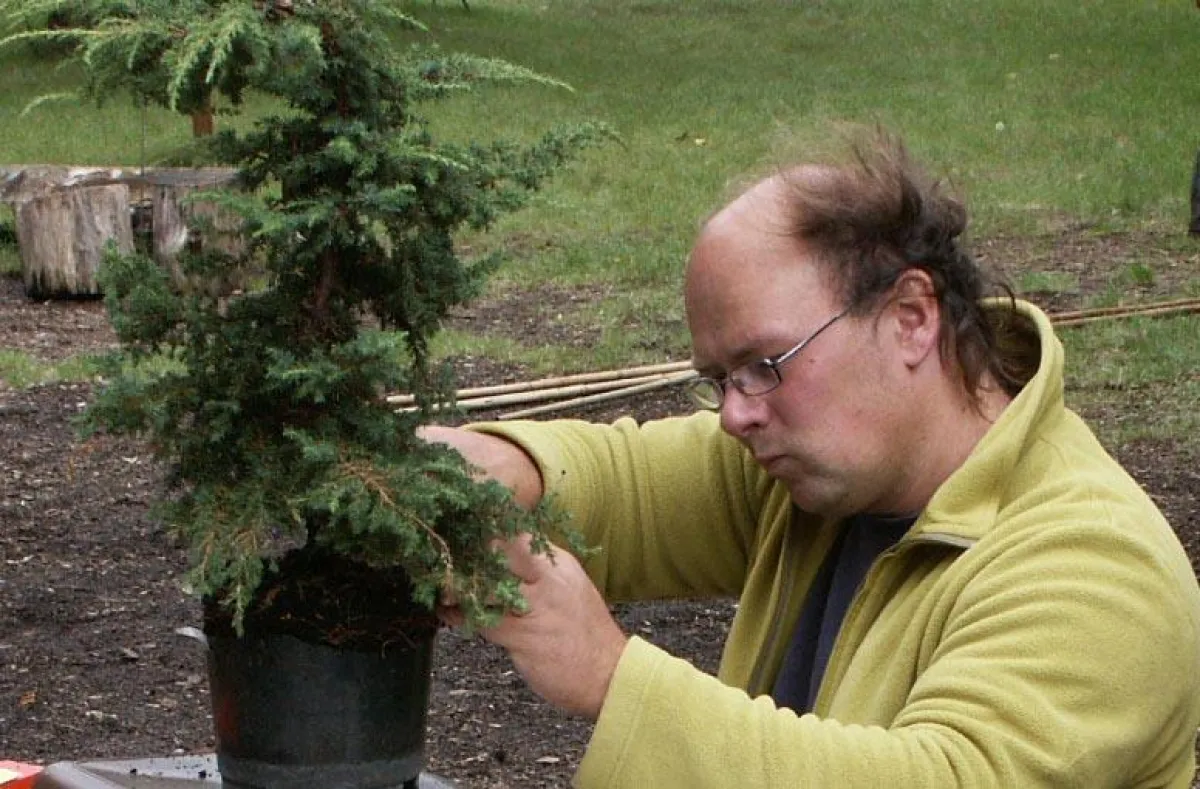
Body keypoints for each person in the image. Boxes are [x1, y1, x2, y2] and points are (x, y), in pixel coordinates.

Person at [429, 128, 1200, 788]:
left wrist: (609, 677)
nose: (734, 413)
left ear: (910, 318)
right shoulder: (825, 470)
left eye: (766, 361)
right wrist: (502, 466)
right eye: (718, 379)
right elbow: (622, 484)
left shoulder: (1099, 570)